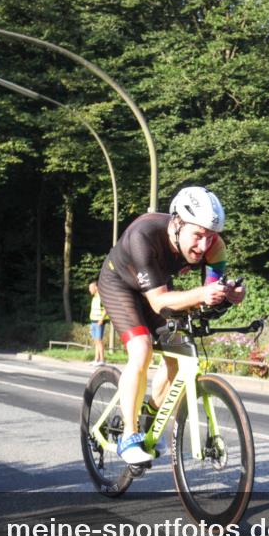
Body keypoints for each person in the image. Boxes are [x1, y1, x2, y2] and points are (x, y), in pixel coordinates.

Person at [96, 186, 246, 464]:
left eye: (210, 237)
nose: (203, 247)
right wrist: (202, 294)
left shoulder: (215, 248)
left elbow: (207, 302)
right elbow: (158, 302)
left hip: (157, 285)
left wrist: (227, 298)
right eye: (198, 236)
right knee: (141, 350)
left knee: (178, 356)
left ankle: (149, 415)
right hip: (120, 284)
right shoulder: (144, 235)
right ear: (177, 223)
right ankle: (128, 436)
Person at [87, 281, 108, 366]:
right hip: (93, 321)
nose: (89, 290)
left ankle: (102, 360)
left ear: (96, 287)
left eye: (90, 288)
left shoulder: (101, 297)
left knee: (99, 341)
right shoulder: (94, 297)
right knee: (96, 341)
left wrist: (101, 319)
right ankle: (96, 359)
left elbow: (106, 309)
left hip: (99, 322)